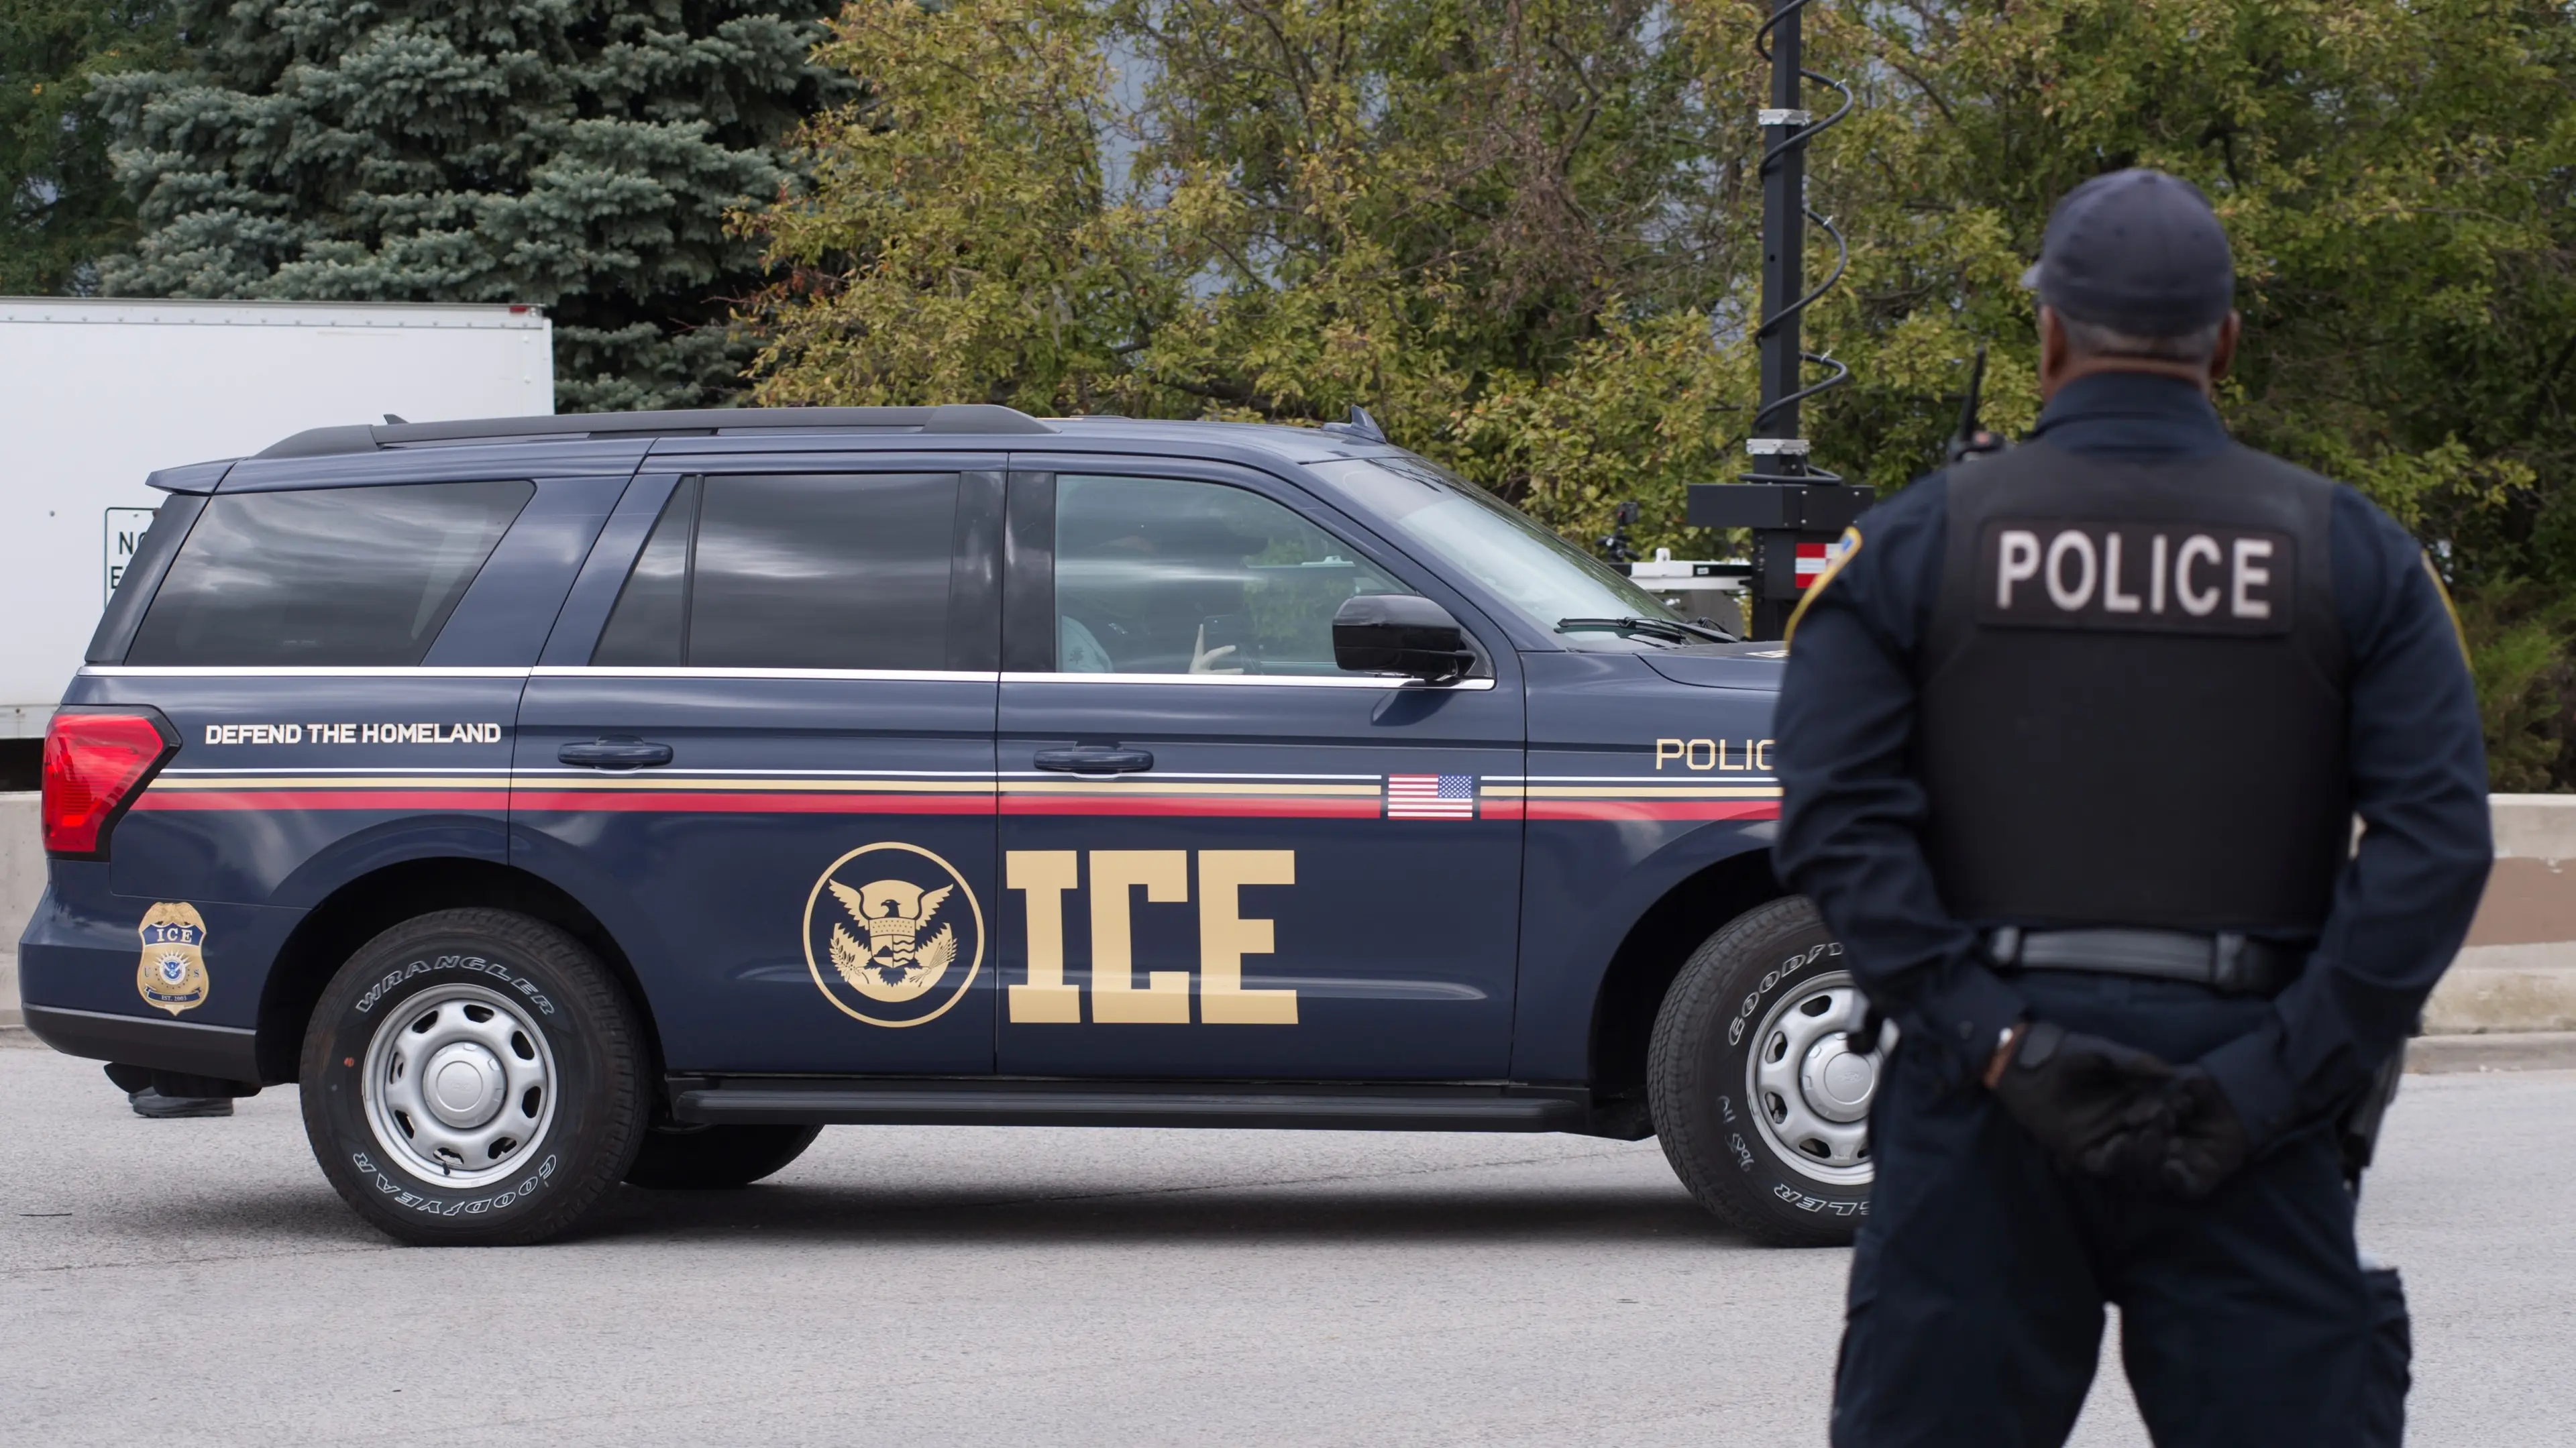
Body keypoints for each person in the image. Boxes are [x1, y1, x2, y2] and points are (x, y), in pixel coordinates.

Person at [1773, 168, 2493, 1446]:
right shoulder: (2351, 552)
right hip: (2249, 1109)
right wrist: (2273, 1082)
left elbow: (1837, 819)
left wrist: (1999, 1045)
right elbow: (2435, 847)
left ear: (2047, 335)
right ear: (2224, 342)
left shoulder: (1917, 547)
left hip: (1982, 1116)